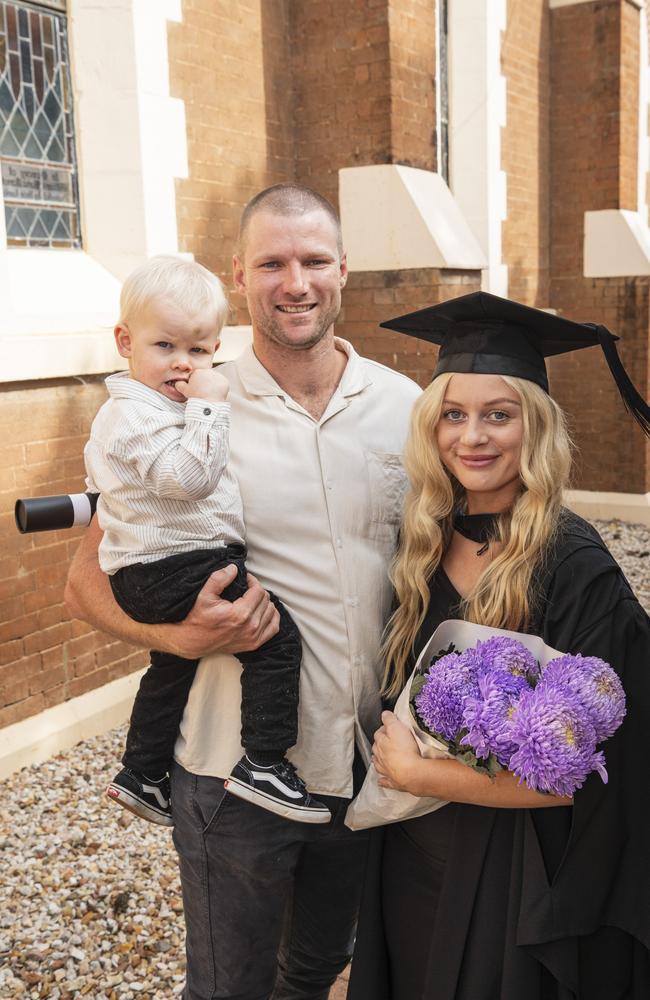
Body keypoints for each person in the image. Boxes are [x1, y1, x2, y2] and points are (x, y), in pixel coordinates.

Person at [65, 183, 422, 999]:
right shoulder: (186, 402)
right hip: (231, 772)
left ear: (344, 271)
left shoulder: (405, 407)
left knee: (318, 970)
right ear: (239, 275)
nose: (294, 281)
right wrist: (178, 639)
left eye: (314, 261)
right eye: (272, 262)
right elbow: (85, 585)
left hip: (362, 764)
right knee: (230, 986)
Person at [348, 292, 650, 1000]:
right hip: (413, 855)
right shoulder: (420, 541)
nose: (473, 437)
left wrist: (425, 777)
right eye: (454, 414)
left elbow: (598, 776)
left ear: (533, 427)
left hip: (516, 877)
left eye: (498, 415)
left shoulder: (574, 566)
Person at [84, 254, 329, 828]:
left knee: (173, 663)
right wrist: (211, 404)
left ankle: (142, 773)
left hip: (160, 565)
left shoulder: (150, 409)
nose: (183, 365)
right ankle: (264, 762)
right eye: (164, 346)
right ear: (124, 341)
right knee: (275, 639)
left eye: (198, 351)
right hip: (171, 565)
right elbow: (190, 479)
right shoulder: (136, 414)